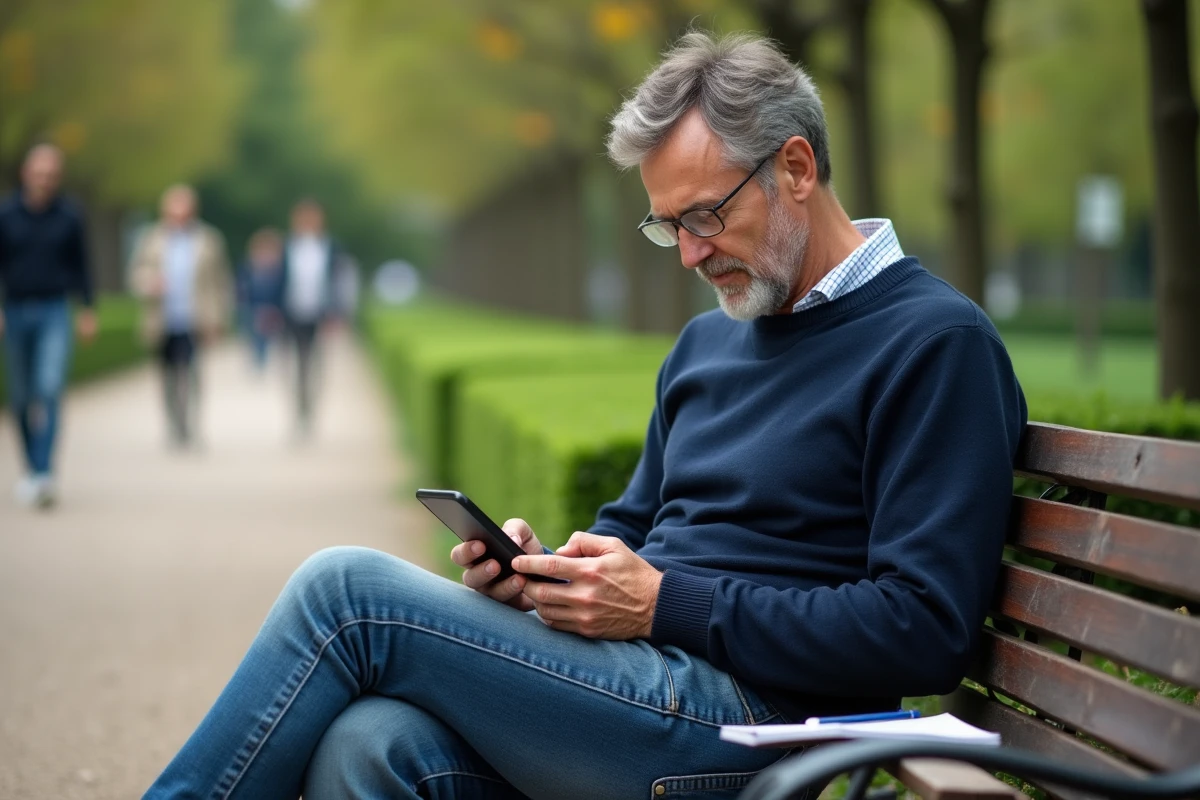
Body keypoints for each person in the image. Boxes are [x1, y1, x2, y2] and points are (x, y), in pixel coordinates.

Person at [145, 32, 1027, 799]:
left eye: (705, 216)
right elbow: (632, 531)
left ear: (796, 167)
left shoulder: (935, 345)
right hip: (640, 690)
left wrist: (662, 605)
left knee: (344, 593)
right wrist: (543, 576)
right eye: (665, 226)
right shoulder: (708, 345)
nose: (688, 253)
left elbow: (924, 630)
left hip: (758, 733)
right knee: (367, 744)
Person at [0, 143, 97, 508]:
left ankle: (44, 472)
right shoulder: (6, 214)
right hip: (16, 309)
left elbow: (82, 265)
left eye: (51, 175)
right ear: (26, 173)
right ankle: (32, 466)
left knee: (50, 387)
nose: (44, 181)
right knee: (22, 398)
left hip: (56, 310)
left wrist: (88, 309)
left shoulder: (69, 216)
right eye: (38, 173)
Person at [129, 184, 231, 447]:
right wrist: (150, 282)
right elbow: (135, 274)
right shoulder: (151, 238)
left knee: (193, 373)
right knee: (167, 375)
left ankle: (192, 425)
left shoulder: (209, 239)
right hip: (162, 319)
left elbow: (221, 281)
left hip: (197, 318)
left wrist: (219, 319)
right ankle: (174, 424)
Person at [279, 198, 343, 436]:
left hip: (319, 314)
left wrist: (336, 313)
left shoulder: (331, 246)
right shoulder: (287, 245)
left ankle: (310, 410)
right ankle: (298, 410)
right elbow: (280, 280)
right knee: (294, 366)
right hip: (292, 312)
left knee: (315, 365)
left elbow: (338, 281)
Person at [236, 227, 285, 374]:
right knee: (253, 334)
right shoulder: (248, 265)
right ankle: (257, 360)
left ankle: (262, 360)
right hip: (252, 305)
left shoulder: (278, 267)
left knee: (265, 335)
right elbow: (242, 284)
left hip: (270, 305)